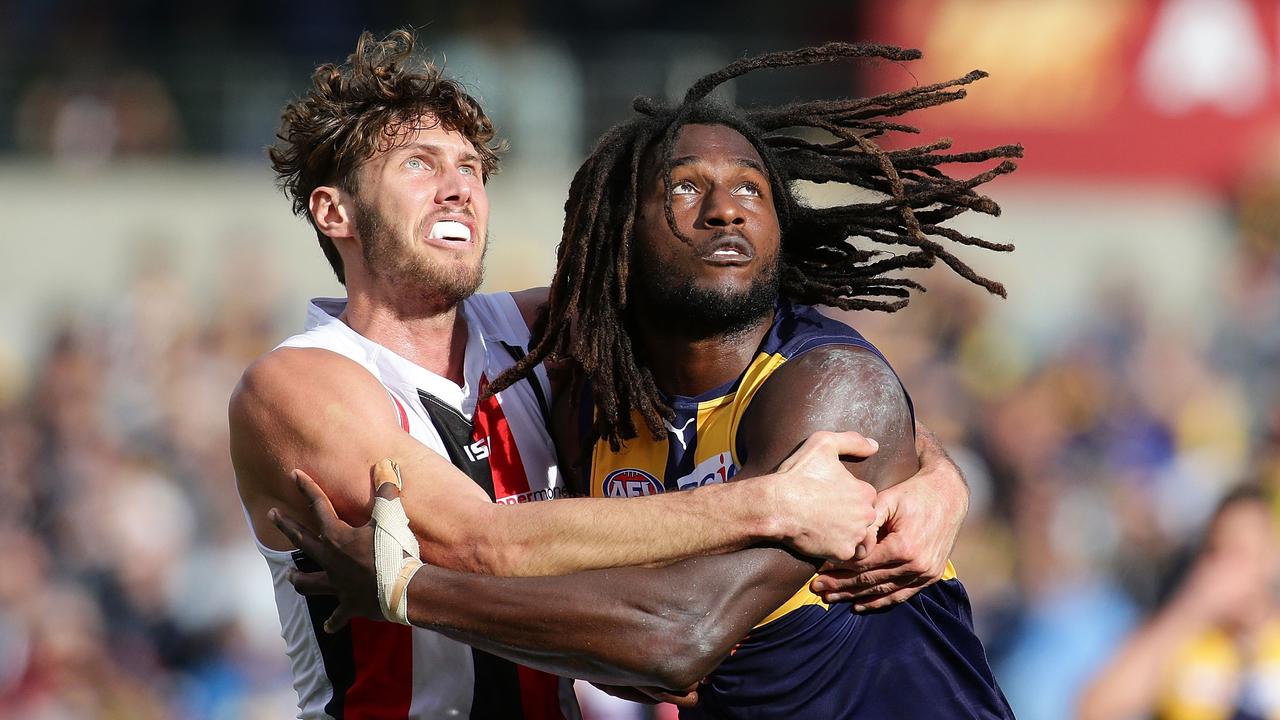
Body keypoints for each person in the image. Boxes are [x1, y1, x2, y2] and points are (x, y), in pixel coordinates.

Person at [231, 31, 972, 719]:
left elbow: (735, 336)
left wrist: (930, 475)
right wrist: (770, 502)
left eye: (471, 168)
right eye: (420, 165)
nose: (457, 188)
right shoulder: (298, 385)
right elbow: (480, 544)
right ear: (335, 212)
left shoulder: (535, 337)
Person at [1077, 485, 1280, 720]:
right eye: (1216, 551)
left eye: (1239, 552)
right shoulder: (1184, 637)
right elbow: (1095, 708)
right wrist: (1191, 607)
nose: (1225, 567)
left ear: (1271, 557)